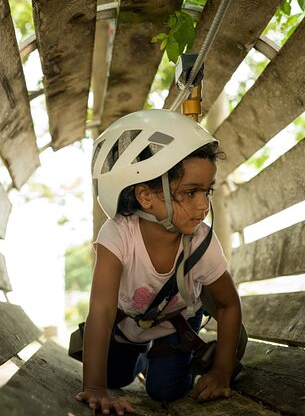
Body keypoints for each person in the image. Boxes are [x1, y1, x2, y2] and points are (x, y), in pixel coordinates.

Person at [75, 109, 243, 415]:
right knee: (116, 377)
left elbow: (229, 305)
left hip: (176, 327)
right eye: (190, 192)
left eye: (207, 191)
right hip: (128, 324)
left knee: (162, 390)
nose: (204, 205)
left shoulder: (201, 243)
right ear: (145, 196)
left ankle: (163, 358)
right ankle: (141, 357)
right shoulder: (117, 235)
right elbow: (101, 309)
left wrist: (222, 370)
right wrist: (96, 388)